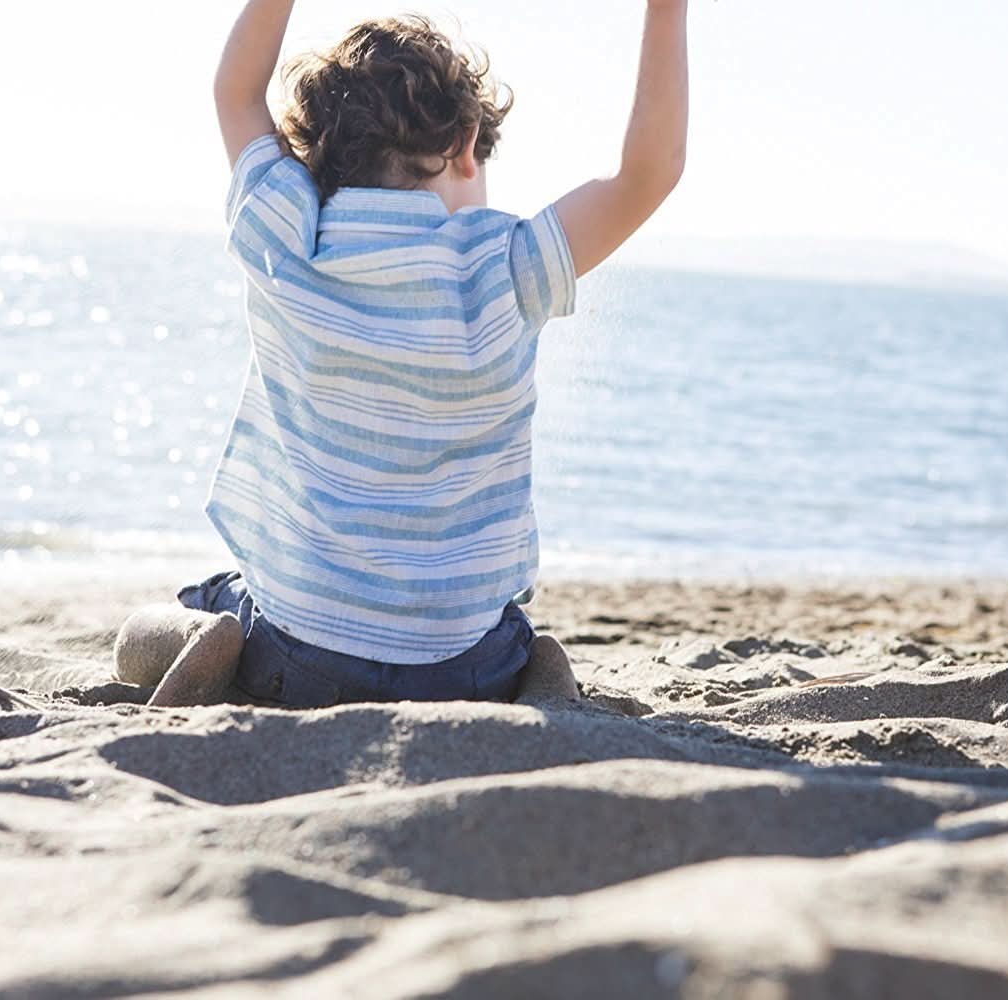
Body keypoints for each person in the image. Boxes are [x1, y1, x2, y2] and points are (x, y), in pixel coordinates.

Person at [115, 1, 689, 708]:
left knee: (179, 611)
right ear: (468, 143)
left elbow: (235, 91)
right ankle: (539, 670)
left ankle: (204, 638)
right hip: (469, 670)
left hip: (300, 660)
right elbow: (648, 173)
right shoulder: (505, 267)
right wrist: (665, 11)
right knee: (516, 636)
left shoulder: (287, 233)